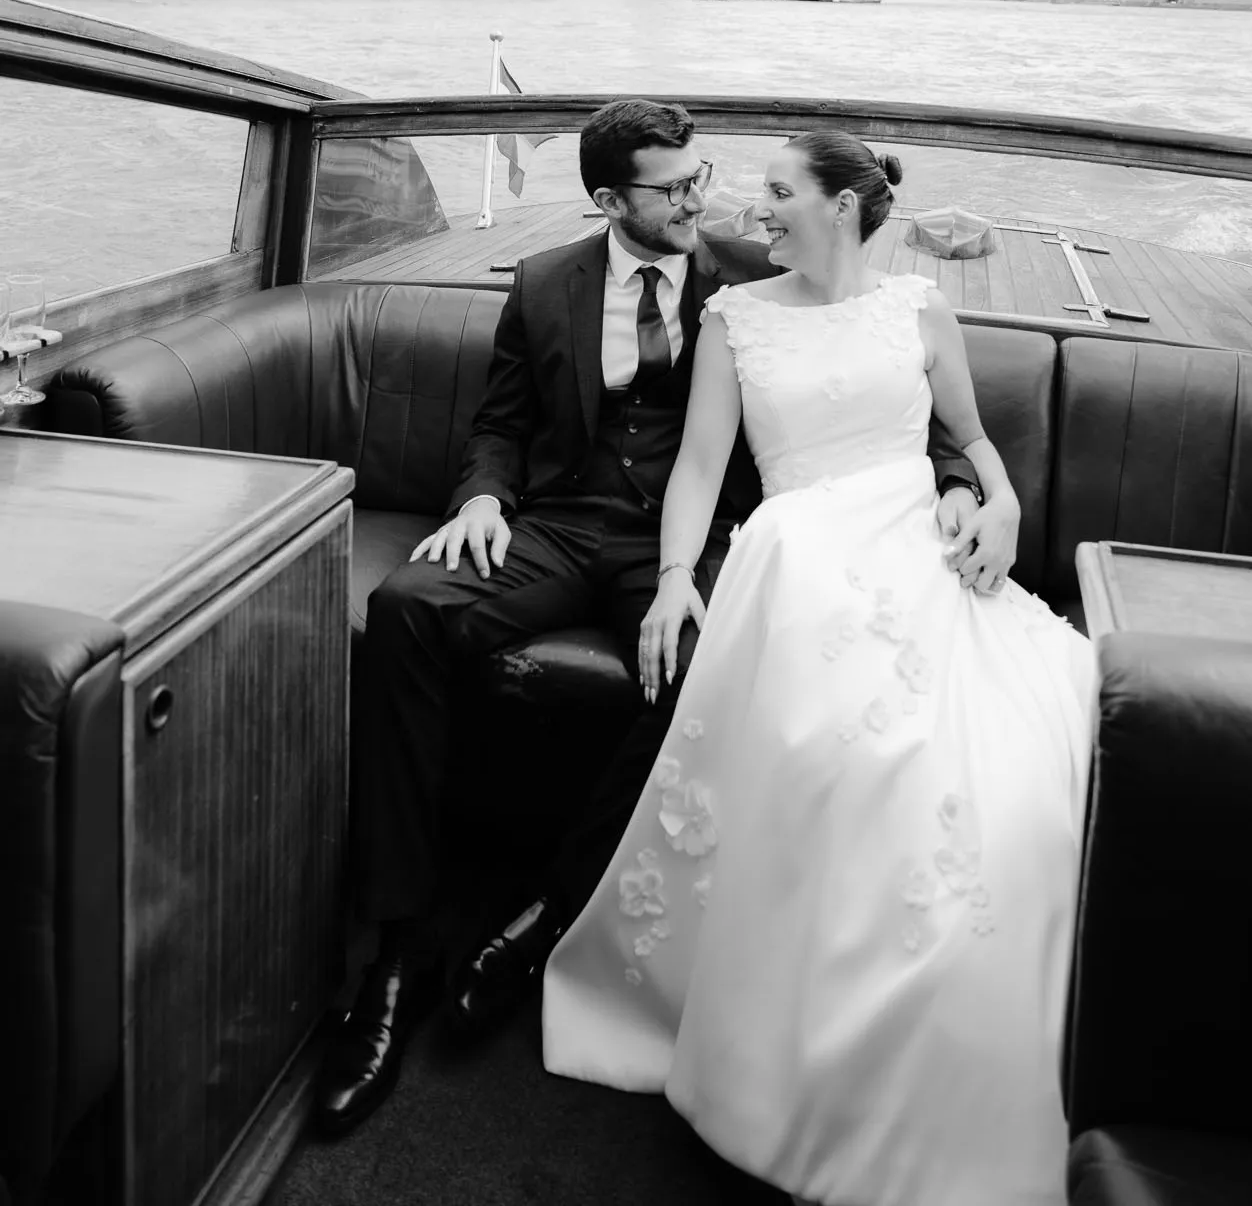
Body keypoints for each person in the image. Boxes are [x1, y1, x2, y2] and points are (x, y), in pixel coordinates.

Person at [312, 101, 985, 1137]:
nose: (699, 198)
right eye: (672, 187)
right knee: (406, 607)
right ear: (608, 199)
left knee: (717, 657)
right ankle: (394, 952)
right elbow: (500, 422)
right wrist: (484, 497)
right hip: (557, 520)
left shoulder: (753, 275)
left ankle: (544, 917)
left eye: (701, 175)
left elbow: (886, 390)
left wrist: (960, 482)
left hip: (689, 541)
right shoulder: (542, 285)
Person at [542, 128, 1097, 1206]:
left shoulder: (921, 307)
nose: (759, 205)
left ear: (842, 205)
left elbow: (973, 442)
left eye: (781, 190)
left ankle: (931, 1055)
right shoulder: (734, 318)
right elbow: (702, 463)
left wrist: (1005, 503)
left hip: (917, 546)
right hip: (797, 554)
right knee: (853, 743)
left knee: (1020, 758)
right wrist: (670, 578)